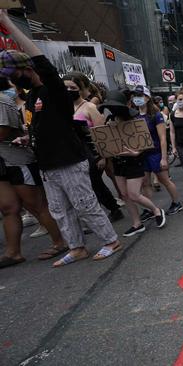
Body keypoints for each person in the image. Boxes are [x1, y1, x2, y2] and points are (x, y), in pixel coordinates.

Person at [0, 10, 122, 267]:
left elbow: (38, 56)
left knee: (85, 204)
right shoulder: (33, 97)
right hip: (47, 166)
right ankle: (76, 247)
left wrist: (7, 22)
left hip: (69, 161)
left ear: (28, 69)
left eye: (15, 74)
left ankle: (110, 240)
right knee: (60, 211)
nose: (13, 81)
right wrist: (27, 138)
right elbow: (39, 127)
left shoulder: (53, 88)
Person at [0, 77, 67, 268]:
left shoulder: (2, 101)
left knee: (36, 205)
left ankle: (60, 241)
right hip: (2, 164)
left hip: (17, 160)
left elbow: (3, 131)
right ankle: (13, 252)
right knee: (8, 208)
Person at [100, 90, 166, 237]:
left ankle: (155, 210)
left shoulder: (135, 118)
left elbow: (145, 140)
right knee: (125, 194)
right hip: (118, 162)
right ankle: (136, 223)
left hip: (134, 161)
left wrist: (137, 152)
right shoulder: (109, 119)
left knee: (134, 194)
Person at [62, 72, 125, 223]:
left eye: (73, 87)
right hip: (71, 153)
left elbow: (101, 134)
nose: (69, 90)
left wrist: (103, 156)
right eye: (66, 87)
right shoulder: (63, 107)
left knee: (94, 185)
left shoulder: (90, 107)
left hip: (91, 154)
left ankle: (112, 209)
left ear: (82, 88)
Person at [131, 85, 182, 217]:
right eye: (135, 96)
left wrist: (164, 158)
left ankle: (176, 203)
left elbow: (163, 138)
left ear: (147, 98)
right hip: (142, 154)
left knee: (164, 180)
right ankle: (149, 208)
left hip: (156, 153)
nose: (137, 98)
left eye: (140, 95)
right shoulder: (134, 115)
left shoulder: (156, 115)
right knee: (145, 182)